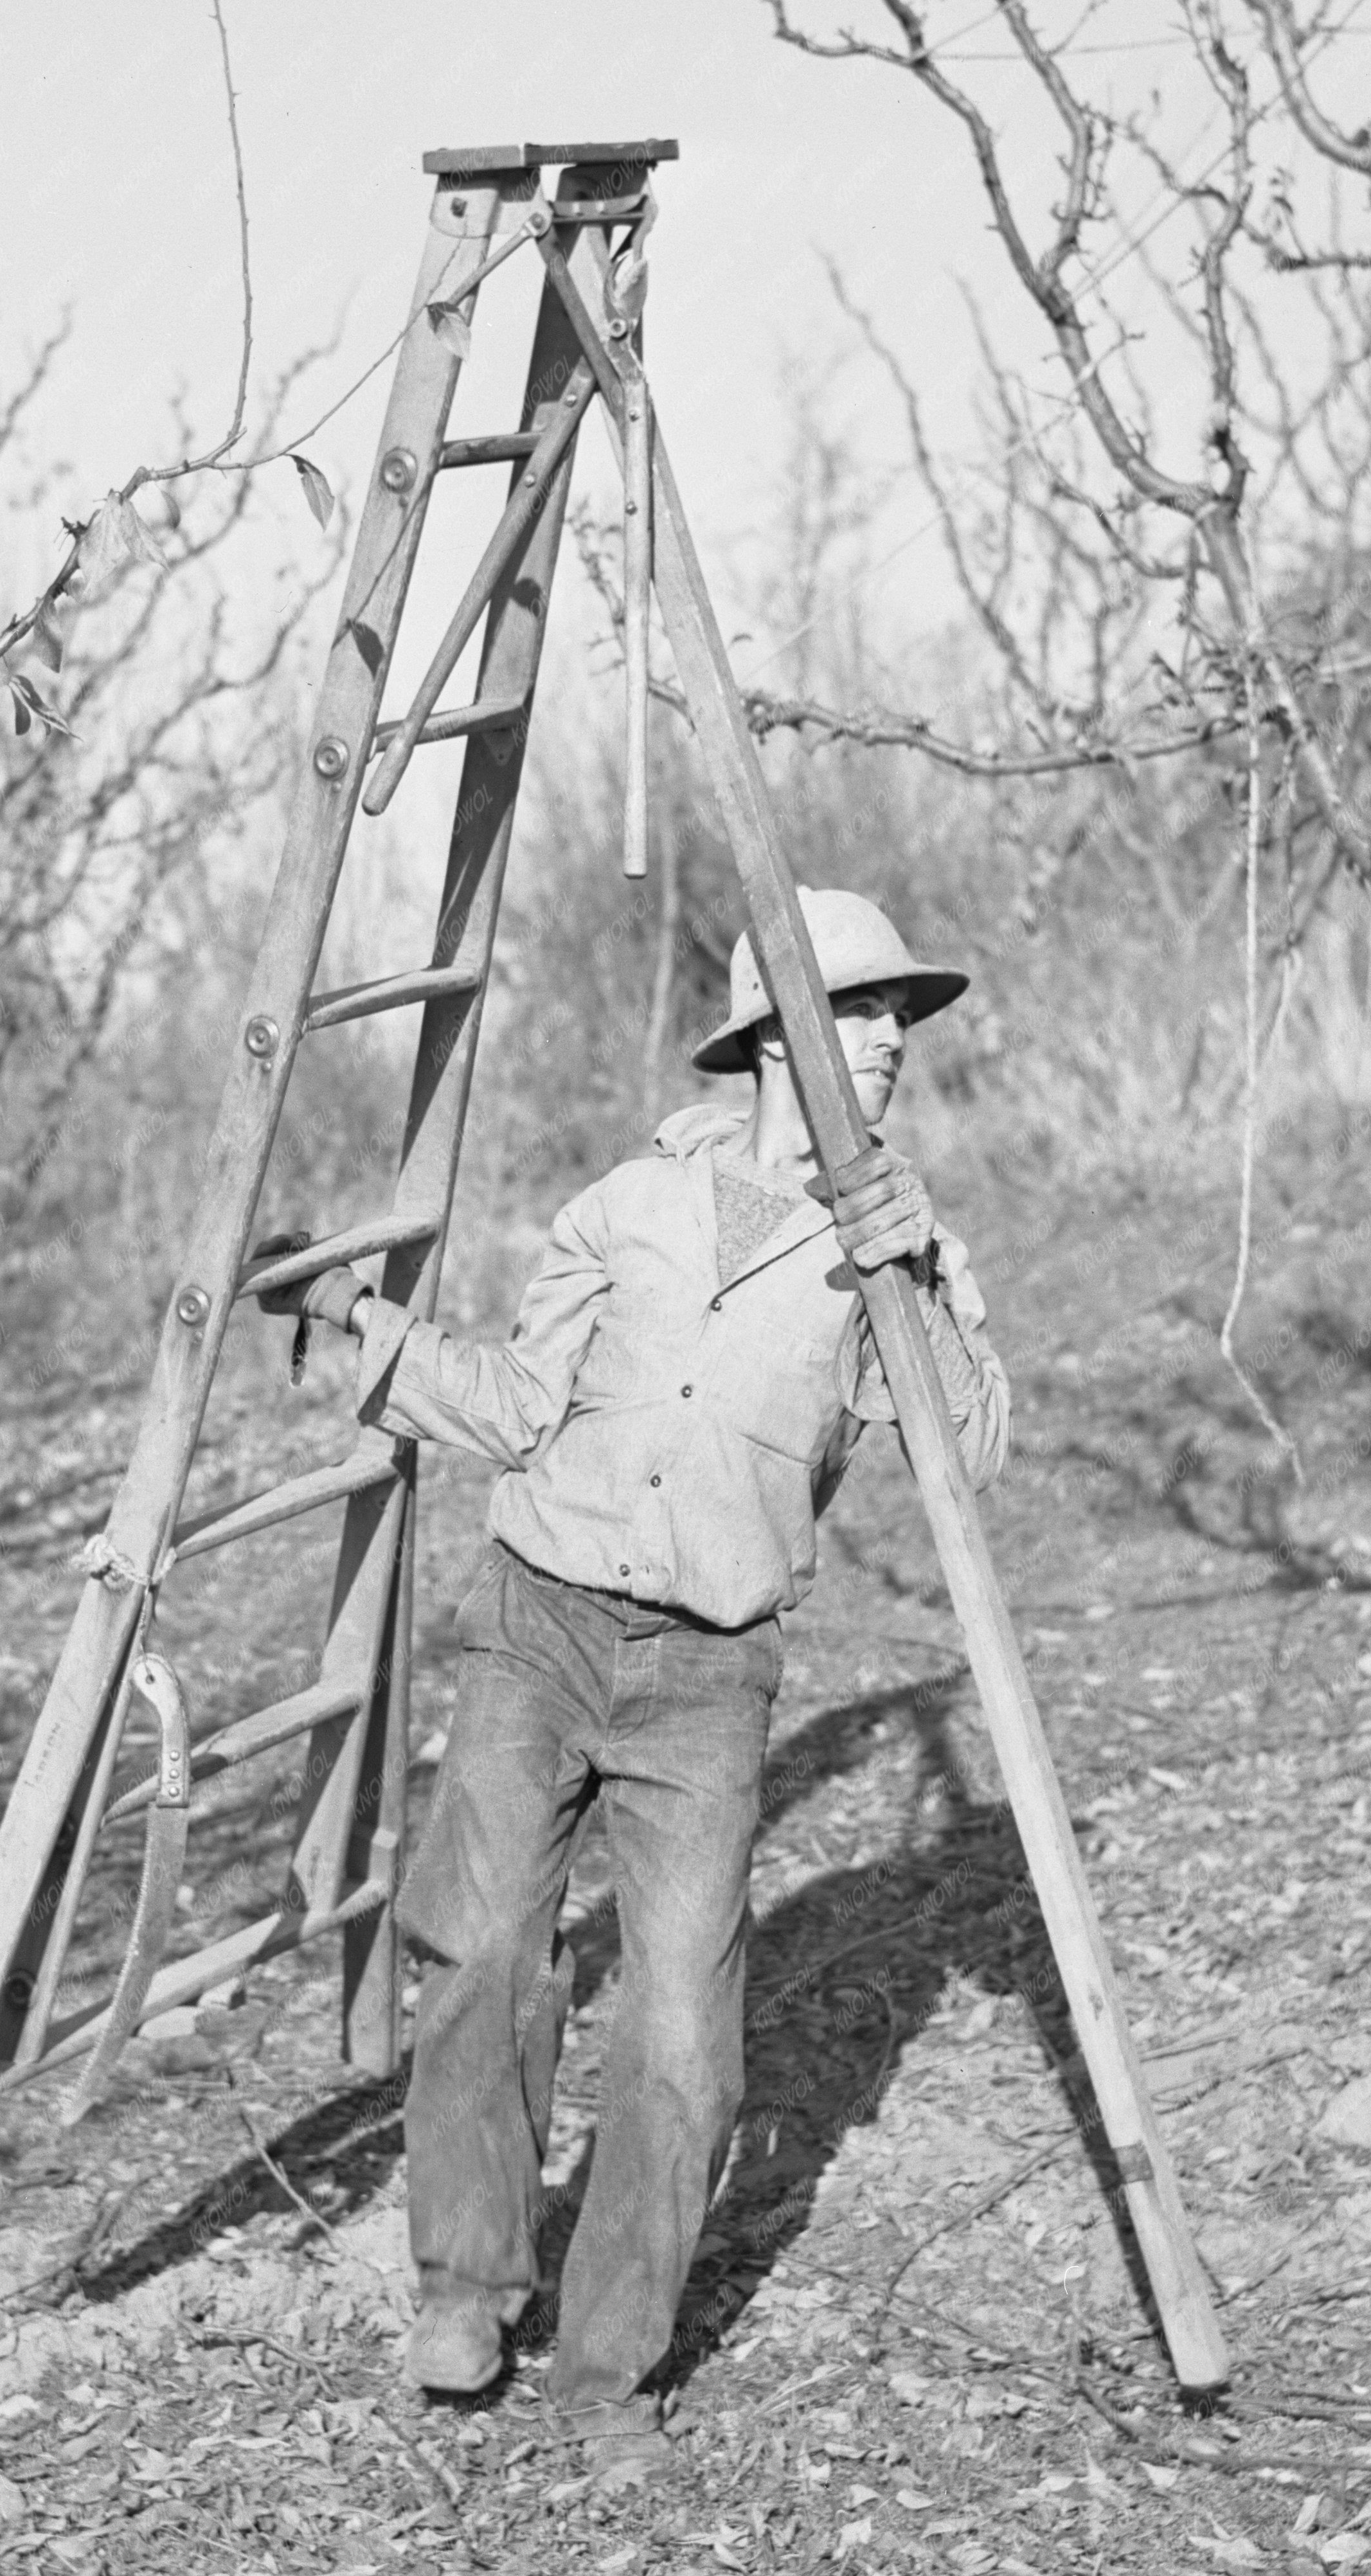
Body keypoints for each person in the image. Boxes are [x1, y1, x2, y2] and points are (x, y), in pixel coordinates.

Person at [256, 888, 1008, 2478]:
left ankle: (607, 2367)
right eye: (855, 1011)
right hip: (536, 1624)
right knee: (480, 1957)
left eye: (893, 1020)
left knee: (681, 2034)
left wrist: (918, 1280)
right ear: (770, 1036)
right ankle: (464, 2290)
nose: (884, 1042)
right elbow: (522, 1400)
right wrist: (357, 1322)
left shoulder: (892, 1244)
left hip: (706, 1679)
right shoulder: (628, 1206)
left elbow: (971, 1444)